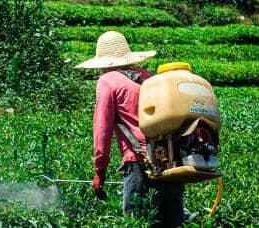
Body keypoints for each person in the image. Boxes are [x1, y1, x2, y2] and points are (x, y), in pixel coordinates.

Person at [75, 31, 185, 227]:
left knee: (137, 222)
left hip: (139, 162)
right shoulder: (147, 77)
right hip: (170, 158)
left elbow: (102, 129)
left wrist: (100, 171)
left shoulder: (107, 81)